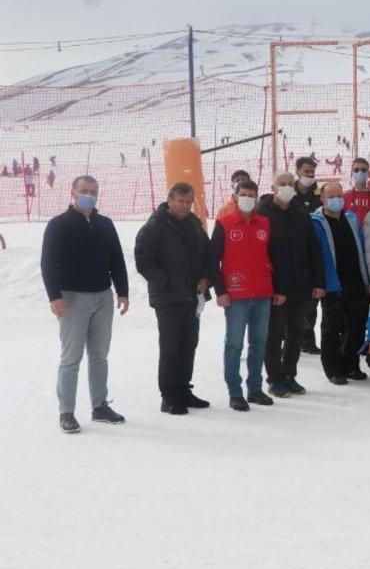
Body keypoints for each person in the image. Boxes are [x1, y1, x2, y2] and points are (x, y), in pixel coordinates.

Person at [41, 175, 129, 432]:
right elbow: (48, 263)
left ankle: (99, 405)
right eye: (84, 190)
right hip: (72, 298)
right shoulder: (59, 225)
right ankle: (66, 412)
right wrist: (54, 297)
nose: (89, 195)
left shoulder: (105, 224)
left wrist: (122, 292)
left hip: (103, 297)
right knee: (71, 357)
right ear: (73, 192)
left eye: (93, 191)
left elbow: (116, 259)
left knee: (99, 356)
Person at [134, 182, 210, 415]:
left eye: (189, 202)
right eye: (181, 201)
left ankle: (184, 390)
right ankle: (168, 396)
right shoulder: (155, 226)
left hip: (192, 297)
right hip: (168, 298)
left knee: (189, 345)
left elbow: (207, 253)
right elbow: (143, 261)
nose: (185, 206)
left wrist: (206, 278)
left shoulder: (194, 223)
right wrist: (166, 281)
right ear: (170, 200)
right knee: (170, 349)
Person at [208, 179, 277, 411]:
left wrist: (276, 289)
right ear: (235, 197)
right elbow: (212, 260)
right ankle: (235, 392)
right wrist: (220, 291)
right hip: (236, 295)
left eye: (251, 195)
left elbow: (274, 256)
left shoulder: (265, 223)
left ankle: (255, 389)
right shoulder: (224, 223)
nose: (248, 198)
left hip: (263, 294)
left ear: (257, 198)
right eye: (243, 194)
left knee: (258, 344)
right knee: (234, 345)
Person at [258, 171, 325, 397]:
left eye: (289, 184)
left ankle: (289, 375)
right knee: (274, 335)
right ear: (273, 187)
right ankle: (275, 378)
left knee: (296, 333)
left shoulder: (301, 214)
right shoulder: (262, 213)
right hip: (275, 286)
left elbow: (313, 249)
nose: (286, 187)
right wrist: (274, 287)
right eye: (281, 184)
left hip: (301, 285)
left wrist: (318, 281)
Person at [311, 181, 370, 386]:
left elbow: (361, 247)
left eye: (339, 196)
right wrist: (318, 282)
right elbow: (313, 255)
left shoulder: (352, 219)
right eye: (331, 196)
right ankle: (334, 369)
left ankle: (351, 365)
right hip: (332, 284)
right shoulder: (316, 222)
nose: (336, 200)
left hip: (356, 281)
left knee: (356, 326)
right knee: (332, 328)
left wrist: (366, 278)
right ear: (322, 199)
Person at [293, 157, 322, 354]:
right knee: (292, 301)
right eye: (306, 171)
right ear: (298, 171)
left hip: (313, 254)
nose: (310, 175)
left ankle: (307, 340)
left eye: (312, 172)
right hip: (292, 254)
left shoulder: (320, 196)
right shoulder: (289, 194)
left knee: (311, 301)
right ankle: (290, 338)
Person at [345, 157, 370, 225]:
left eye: (363, 170)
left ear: (368, 173)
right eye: (356, 170)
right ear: (352, 173)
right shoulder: (345, 196)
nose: (360, 172)